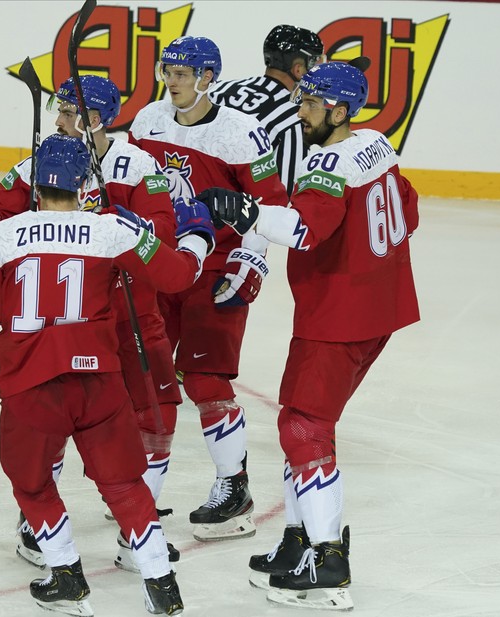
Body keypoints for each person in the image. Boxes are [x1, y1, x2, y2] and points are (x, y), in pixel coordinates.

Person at [0, 75, 184, 572]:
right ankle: (39, 526)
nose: (57, 120)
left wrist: (121, 226)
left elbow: (161, 230)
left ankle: (133, 533)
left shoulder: (138, 165)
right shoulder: (42, 162)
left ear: (94, 118)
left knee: (155, 418)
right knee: (46, 422)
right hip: (61, 320)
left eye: (68, 111)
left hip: (130, 318)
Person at [200, 61, 420, 610]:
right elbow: (408, 212)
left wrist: (246, 211)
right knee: (302, 420)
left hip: (338, 315)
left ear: (340, 110)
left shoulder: (330, 161)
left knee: (304, 427)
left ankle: (327, 562)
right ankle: (299, 540)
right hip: (380, 306)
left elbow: (302, 230)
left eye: (312, 103)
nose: (301, 111)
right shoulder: (378, 146)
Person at [0, 133, 215, 616]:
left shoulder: (0, 236)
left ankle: (66, 574)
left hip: (30, 385)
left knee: (32, 484)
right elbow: (179, 276)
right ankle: (161, 584)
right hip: (99, 383)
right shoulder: (111, 230)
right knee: (124, 484)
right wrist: (198, 237)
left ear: (36, 183)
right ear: (84, 184)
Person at [129, 36, 289, 542]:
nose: (172, 82)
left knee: (204, 379)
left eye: (182, 73)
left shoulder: (242, 133)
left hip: (216, 267)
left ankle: (233, 486)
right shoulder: (147, 121)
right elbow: (129, 188)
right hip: (161, 263)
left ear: (207, 77)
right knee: (148, 377)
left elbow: (271, 205)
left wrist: (250, 259)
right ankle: (141, 488)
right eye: (168, 71)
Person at [210, 25, 324, 197]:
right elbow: (282, 202)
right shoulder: (294, 118)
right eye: (316, 63)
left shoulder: (218, 88)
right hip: (230, 215)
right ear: (299, 70)